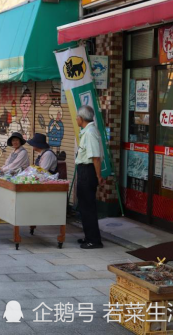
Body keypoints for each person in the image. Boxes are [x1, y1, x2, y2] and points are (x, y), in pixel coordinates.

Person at [75, 105, 104, 249]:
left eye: (76, 117)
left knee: (88, 206)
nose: (76, 119)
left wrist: (98, 175)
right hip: (84, 170)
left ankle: (94, 240)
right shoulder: (87, 131)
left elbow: (96, 158)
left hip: (88, 171)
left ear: (81, 118)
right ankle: (88, 236)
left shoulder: (90, 132)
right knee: (84, 205)